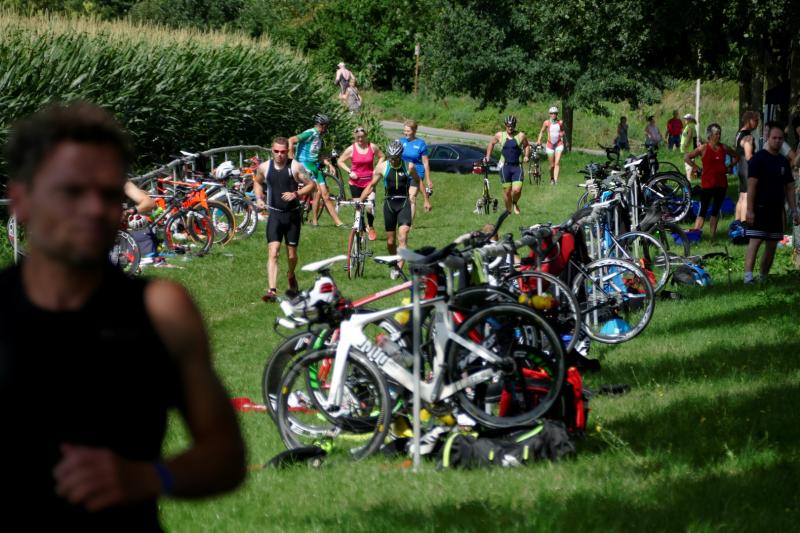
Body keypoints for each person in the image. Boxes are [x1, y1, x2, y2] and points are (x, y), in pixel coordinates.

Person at [0, 102, 245, 529]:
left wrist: (148, 477)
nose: (95, 209)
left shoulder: (161, 310)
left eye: (109, 193)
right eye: (72, 192)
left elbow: (225, 455)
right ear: (21, 201)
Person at [254, 137, 316, 302]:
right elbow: (257, 182)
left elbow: (312, 185)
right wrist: (259, 198)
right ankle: (272, 291)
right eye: (276, 151)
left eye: (283, 152)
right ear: (272, 150)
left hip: (292, 215)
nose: (279, 155)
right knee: (273, 252)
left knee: (292, 255)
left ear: (287, 151)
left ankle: (291, 274)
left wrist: (296, 194)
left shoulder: (295, 167)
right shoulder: (264, 167)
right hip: (274, 214)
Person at [359, 140, 431, 279]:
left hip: (404, 203)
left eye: (396, 158)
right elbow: (371, 185)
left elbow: (418, 181)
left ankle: (399, 267)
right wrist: (360, 200)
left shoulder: (409, 166)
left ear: (400, 156)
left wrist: (426, 200)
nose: (393, 160)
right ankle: (395, 265)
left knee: (403, 235)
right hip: (389, 204)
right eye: (391, 157)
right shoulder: (382, 167)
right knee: (390, 242)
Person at [744, 123, 800, 283]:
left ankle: (763, 277)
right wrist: (750, 209)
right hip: (760, 208)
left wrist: (794, 210)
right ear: (768, 138)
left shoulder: (783, 161)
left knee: (772, 244)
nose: (777, 141)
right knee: (755, 241)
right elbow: (751, 185)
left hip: (777, 209)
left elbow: (789, 187)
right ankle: (748, 278)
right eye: (774, 138)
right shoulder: (758, 159)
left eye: (780, 138)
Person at [288, 113, 346, 228]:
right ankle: (315, 221)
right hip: (304, 166)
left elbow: (316, 156)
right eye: (327, 126)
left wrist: (329, 164)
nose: (327, 129)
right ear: (322, 125)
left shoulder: (319, 137)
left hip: (314, 166)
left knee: (326, 194)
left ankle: (338, 223)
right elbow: (291, 140)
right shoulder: (310, 133)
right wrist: (291, 160)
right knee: (318, 192)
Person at [684, 123, 739, 239]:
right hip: (707, 185)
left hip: (721, 184)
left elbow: (736, 156)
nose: (719, 136)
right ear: (710, 135)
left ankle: (712, 237)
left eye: (719, 133)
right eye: (716, 134)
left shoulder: (724, 147)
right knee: (702, 211)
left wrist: (729, 166)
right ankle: (695, 236)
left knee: (715, 211)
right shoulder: (703, 148)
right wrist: (697, 168)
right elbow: (687, 157)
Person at [337, 126, 385, 241]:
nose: (360, 139)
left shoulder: (372, 147)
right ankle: (361, 230)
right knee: (359, 207)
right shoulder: (351, 149)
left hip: (369, 183)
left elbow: (382, 156)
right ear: (355, 137)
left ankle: (371, 226)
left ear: (366, 136)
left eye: (362, 137)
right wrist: (350, 171)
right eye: (358, 137)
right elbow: (340, 161)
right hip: (355, 183)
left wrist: (377, 168)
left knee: (370, 205)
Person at [485, 115, 530, 214]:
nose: (510, 128)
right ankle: (508, 210)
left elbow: (526, 145)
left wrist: (526, 155)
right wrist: (488, 156)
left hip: (517, 166)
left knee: (517, 190)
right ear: (505, 125)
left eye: (512, 126)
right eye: (508, 126)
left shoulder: (521, 135)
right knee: (507, 191)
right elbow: (491, 143)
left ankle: (515, 203)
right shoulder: (500, 135)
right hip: (504, 166)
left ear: (515, 125)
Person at [399, 120, 433, 218]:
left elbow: (425, 162)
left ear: (414, 131)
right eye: (404, 130)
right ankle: (401, 218)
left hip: (417, 173)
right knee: (402, 197)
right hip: (404, 172)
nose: (405, 133)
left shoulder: (420, 143)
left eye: (408, 131)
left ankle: (409, 223)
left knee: (412, 197)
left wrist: (428, 179)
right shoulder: (401, 141)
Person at [734, 110, 760, 222]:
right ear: (749, 120)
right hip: (747, 168)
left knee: (742, 196)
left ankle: (737, 223)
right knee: (747, 196)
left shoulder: (739, 133)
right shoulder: (748, 137)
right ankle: (744, 224)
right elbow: (749, 156)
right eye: (756, 120)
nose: (757, 123)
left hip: (740, 167)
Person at [536, 106, 565, 184]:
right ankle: (552, 178)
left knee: (557, 162)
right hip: (550, 145)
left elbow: (562, 131)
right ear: (549, 114)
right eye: (552, 113)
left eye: (555, 113)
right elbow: (542, 132)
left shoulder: (560, 122)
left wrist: (562, 134)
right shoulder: (546, 123)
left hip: (559, 144)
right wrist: (539, 140)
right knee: (552, 165)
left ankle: (556, 180)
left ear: (557, 114)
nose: (553, 115)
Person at [680, 114, 699, 178]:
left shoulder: (690, 126)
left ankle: (689, 177)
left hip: (689, 148)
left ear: (690, 120)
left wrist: (686, 145)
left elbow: (689, 136)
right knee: (690, 162)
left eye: (686, 119)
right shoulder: (690, 126)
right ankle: (693, 175)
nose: (685, 120)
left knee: (688, 163)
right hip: (689, 147)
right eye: (685, 118)